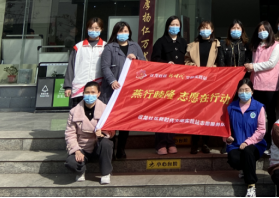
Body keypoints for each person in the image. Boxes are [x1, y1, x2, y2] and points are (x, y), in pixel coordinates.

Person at [100, 21, 145, 160]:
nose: (123, 34)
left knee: (125, 122)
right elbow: (105, 67)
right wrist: (112, 81)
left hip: (128, 91)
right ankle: (111, 150)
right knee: (112, 121)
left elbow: (144, 65)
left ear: (129, 32)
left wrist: (137, 59)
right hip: (112, 90)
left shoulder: (135, 46)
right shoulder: (109, 47)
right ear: (115, 33)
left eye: (126, 31)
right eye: (120, 31)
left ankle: (121, 150)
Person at [65, 81, 115, 185]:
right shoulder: (74, 111)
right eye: (87, 92)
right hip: (82, 148)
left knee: (107, 143)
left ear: (98, 94)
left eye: (93, 92)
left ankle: (106, 173)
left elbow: (112, 130)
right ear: (83, 93)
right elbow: (70, 133)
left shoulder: (106, 109)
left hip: (98, 147)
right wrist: (76, 150)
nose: (90, 95)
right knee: (71, 162)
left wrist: (103, 133)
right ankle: (80, 171)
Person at [225, 78, 267, 198]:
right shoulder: (231, 107)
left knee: (248, 152)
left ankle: (251, 186)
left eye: (247, 90)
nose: (244, 92)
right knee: (234, 159)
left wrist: (248, 142)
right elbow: (225, 127)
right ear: (237, 91)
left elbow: (261, 130)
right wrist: (226, 137)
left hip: (255, 144)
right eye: (241, 90)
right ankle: (245, 168)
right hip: (236, 145)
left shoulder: (259, 107)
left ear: (252, 91)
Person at [151, 16, 187, 155]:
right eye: (172, 24)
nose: (175, 27)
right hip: (164, 84)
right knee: (162, 112)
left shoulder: (183, 42)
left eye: (177, 24)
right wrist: (166, 64)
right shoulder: (160, 42)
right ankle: (160, 143)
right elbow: (154, 60)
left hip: (179, 84)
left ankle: (171, 141)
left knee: (174, 113)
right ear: (167, 26)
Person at [245, 20, 279, 153]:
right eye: (260, 30)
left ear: (270, 31)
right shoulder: (255, 46)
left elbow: (271, 63)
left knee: (270, 115)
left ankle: (270, 142)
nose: (262, 32)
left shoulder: (276, 45)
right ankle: (256, 140)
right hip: (256, 84)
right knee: (256, 114)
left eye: (264, 30)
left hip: (269, 85)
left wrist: (253, 66)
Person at [185, 20, 221, 154]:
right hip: (195, 83)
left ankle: (205, 143)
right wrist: (192, 66)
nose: (205, 30)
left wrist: (213, 70)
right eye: (202, 28)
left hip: (211, 83)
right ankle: (194, 143)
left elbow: (220, 62)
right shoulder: (192, 45)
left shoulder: (217, 45)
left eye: (207, 28)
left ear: (212, 30)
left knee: (208, 113)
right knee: (195, 113)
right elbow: (186, 60)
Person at [63, 17, 106, 108]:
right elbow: (71, 67)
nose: (94, 30)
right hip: (79, 88)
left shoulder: (106, 47)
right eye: (91, 28)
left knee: (98, 114)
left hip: (98, 88)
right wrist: (68, 86)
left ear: (101, 29)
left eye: (97, 28)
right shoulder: (78, 47)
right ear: (87, 29)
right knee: (77, 113)